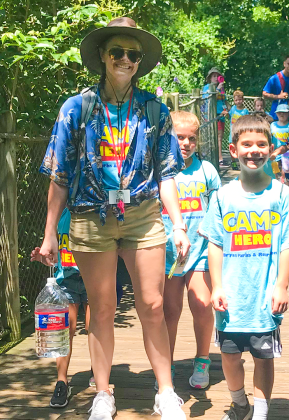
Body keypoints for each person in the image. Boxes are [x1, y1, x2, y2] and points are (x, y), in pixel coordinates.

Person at [39, 17, 189, 420]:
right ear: (103, 57)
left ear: (140, 61)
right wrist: (50, 232)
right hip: (89, 215)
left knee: (153, 305)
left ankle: (166, 391)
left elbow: (168, 173)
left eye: (133, 54)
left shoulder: (155, 110)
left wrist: (179, 225)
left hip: (142, 214)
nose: (125, 59)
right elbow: (59, 175)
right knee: (101, 308)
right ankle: (103, 393)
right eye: (117, 52)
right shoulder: (77, 107)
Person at [199, 114, 289, 420]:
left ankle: (259, 414)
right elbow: (215, 244)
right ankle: (240, 405)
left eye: (261, 144)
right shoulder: (222, 196)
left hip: (264, 299)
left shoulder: (281, 194)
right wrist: (217, 285)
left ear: (271, 149)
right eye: (246, 144)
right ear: (234, 150)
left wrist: (282, 285)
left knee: (264, 357)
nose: (254, 150)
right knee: (230, 357)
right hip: (231, 298)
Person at [31, 208, 124, 408]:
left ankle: (98, 373)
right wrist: (43, 257)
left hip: (94, 277)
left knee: (95, 325)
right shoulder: (60, 216)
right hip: (67, 280)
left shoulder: (97, 212)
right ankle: (62, 381)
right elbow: (55, 253)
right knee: (66, 328)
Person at [161, 111, 221, 390]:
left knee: (200, 304)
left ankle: (203, 359)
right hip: (168, 254)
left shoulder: (207, 171)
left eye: (191, 139)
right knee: (170, 311)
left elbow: (219, 208)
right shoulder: (159, 170)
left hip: (200, 250)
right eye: (179, 137)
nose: (185, 143)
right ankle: (167, 364)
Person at [201, 67, 229, 165]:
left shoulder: (221, 88)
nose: (216, 78)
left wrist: (228, 109)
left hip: (221, 115)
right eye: (214, 76)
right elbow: (209, 99)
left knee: (219, 137)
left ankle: (219, 158)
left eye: (217, 76)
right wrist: (217, 89)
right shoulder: (207, 87)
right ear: (210, 78)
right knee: (211, 137)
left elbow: (223, 100)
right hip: (211, 116)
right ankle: (214, 158)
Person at [262, 54, 289, 120]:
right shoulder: (274, 78)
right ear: (284, 64)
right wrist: (278, 97)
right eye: (288, 64)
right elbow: (264, 94)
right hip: (277, 114)